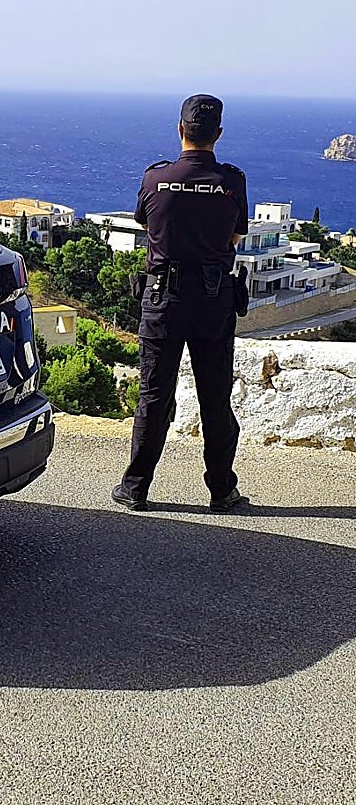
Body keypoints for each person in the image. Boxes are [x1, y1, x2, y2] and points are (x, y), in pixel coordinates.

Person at [111, 94, 250, 513]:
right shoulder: (231, 182)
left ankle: (135, 488)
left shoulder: (155, 179)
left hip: (162, 299)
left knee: (153, 395)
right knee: (215, 397)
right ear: (218, 134)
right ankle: (222, 491)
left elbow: (144, 222)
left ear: (180, 130)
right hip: (212, 301)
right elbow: (235, 237)